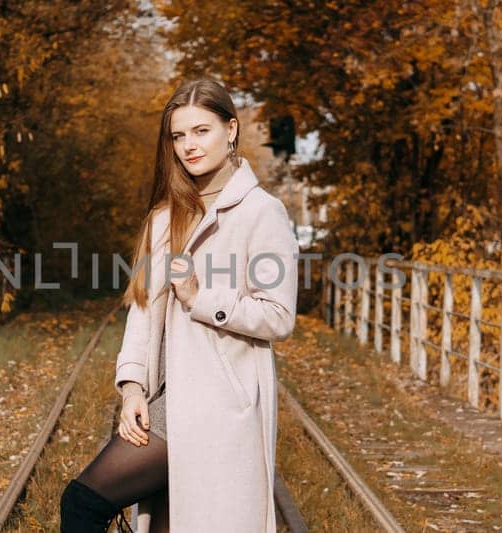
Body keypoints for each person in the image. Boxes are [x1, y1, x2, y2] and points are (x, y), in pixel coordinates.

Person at [59, 77, 300, 532]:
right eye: (178, 135)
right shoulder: (165, 217)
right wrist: (131, 385)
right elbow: (143, 310)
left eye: (201, 131)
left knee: (83, 503)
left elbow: (279, 316)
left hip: (216, 409)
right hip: (165, 401)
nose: (188, 145)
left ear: (231, 130)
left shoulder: (260, 212)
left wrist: (200, 296)